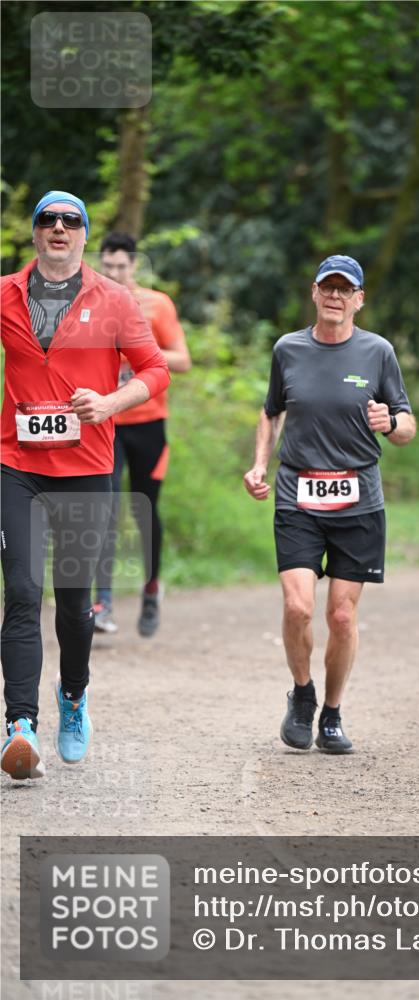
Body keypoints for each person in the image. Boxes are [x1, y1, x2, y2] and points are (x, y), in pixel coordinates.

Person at [0, 191, 170, 780]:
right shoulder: (6, 293)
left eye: (71, 221)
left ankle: (73, 697)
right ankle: (20, 725)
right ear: (34, 233)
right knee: (22, 590)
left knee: (74, 605)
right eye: (47, 219)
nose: (58, 228)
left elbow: (156, 370)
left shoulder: (115, 299)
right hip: (15, 463)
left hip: (85, 469)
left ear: (83, 235)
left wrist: (109, 403)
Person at [244, 254, 416, 754]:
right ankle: (302, 695)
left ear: (359, 299)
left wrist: (390, 424)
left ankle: (333, 714)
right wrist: (260, 463)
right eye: (328, 287)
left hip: (358, 501)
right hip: (298, 494)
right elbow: (271, 412)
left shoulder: (378, 352)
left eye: (346, 289)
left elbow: (407, 426)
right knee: (298, 606)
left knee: (341, 616)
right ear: (315, 293)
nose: (335, 296)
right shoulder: (288, 349)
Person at [92, 232, 191, 637]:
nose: (114, 273)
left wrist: (138, 346)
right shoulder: (89, 303)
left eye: (121, 266)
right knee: (105, 509)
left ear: (134, 266)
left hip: (149, 423)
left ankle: (151, 589)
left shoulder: (156, 304)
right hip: (106, 422)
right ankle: (103, 603)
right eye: (108, 266)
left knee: (143, 510)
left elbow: (182, 360)